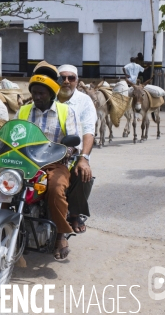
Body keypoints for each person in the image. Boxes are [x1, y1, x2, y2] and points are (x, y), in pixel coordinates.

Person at [0, 61, 81, 260]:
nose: (37, 97)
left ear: (52, 94)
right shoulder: (24, 111)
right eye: (35, 92)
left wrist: (68, 149)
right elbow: (11, 133)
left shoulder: (66, 112)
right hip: (25, 162)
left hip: (54, 163)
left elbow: (75, 142)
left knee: (56, 189)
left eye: (42, 93)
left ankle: (60, 235)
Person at [56, 64, 96, 234]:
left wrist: (84, 158)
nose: (66, 81)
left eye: (70, 78)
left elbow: (88, 130)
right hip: (46, 152)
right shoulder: (47, 96)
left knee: (83, 173)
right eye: (62, 78)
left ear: (77, 81)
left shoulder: (84, 101)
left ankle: (74, 213)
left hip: (74, 153)